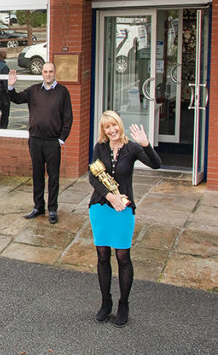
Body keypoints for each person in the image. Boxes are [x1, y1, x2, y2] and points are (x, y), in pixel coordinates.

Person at [88, 111, 162, 327]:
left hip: (123, 209)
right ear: (103, 130)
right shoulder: (100, 147)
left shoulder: (132, 148)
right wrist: (110, 196)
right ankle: (106, 303)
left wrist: (146, 144)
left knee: (122, 256)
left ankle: (123, 304)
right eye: (107, 127)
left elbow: (156, 165)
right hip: (101, 206)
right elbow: (92, 176)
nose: (112, 130)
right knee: (102, 255)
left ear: (119, 125)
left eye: (114, 125)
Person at [7, 62, 73, 224]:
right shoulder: (34, 90)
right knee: (37, 174)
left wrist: (61, 139)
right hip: (35, 140)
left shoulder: (62, 92)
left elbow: (68, 117)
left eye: (51, 71)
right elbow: (16, 99)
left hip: (52, 142)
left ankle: (52, 209)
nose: (48, 74)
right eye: (45, 71)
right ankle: (38, 206)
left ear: (55, 72)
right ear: (42, 73)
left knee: (53, 177)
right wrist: (10, 86)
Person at [0, 48, 10, 130]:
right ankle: (3, 130)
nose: (6, 54)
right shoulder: (4, 67)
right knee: (4, 115)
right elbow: (5, 83)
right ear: (3, 55)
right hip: (3, 93)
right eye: (5, 53)